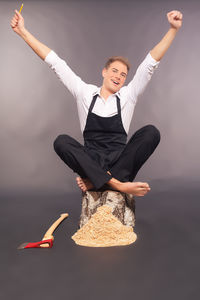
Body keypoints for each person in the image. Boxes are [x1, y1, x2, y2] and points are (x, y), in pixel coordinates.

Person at [10, 9, 183, 196]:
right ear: (104, 72)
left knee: (151, 133)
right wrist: (22, 32)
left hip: (120, 164)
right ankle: (118, 185)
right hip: (91, 163)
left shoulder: (128, 95)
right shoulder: (84, 92)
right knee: (61, 142)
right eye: (115, 71)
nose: (119, 76)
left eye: (123, 75)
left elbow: (150, 64)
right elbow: (55, 62)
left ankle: (99, 182)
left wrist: (173, 29)